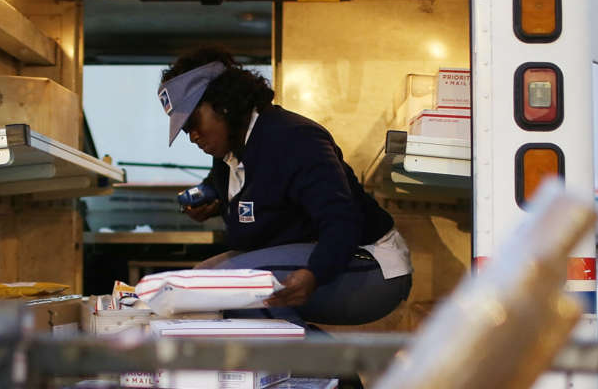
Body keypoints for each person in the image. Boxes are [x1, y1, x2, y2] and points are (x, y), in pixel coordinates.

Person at [157, 47, 412, 326]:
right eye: (185, 130)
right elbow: (250, 195)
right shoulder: (228, 155)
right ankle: (304, 367)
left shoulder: (293, 139)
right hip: (326, 256)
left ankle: (331, 369)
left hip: (371, 266)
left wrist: (314, 273)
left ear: (223, 104)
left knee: (222, 285)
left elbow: (342, 219)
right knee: (199, 278)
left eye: (193, 122)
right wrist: (215, 203)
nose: (192, 137)